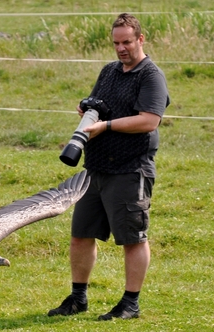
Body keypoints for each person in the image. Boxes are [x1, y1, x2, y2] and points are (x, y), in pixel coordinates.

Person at [48, 13, 170, 321]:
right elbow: (99, 104)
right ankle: (78, 298)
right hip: (96, 168)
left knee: (132, 238)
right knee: (80, 235)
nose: (121, 48)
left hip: (131, 169)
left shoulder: (151, 76)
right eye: (116, 43)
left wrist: (107, 125)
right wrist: (87, 110)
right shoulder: (110, 71)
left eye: (127, 41)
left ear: (141, 39)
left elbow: (149, 120)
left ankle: (130, 303)